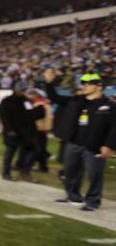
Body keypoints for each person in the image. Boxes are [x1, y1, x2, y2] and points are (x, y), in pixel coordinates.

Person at [45, 70, 116, 211]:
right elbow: (54, 98)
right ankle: (73, 196)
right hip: (73, 143)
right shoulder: (77, 101)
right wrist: (49, 83)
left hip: (94, 146)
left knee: (94, 174)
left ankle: (93, 201)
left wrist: (109, 145)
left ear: (99, 86)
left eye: (88, 83)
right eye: (83, 83)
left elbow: (115, 128)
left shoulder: (110, 105)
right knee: (70, 172)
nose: (84, 86)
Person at [0, 80, 41, 181]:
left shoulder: (26, 101)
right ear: (16, 89)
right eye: (22, 89)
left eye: (24, 89)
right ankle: (6, 173)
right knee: (10, 153)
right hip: (12, 132)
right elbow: (4, 117)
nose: (23, 91)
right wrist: (9, 130)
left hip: (25, 133)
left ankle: (25, 173)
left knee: (32, 151)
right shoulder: (7, 101)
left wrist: (39, 112)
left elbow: (30, 115)